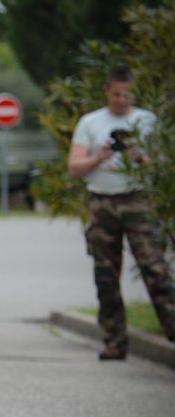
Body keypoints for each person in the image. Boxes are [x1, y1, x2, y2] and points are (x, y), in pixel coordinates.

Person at [68, 66, 175, 360]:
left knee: (155, 269)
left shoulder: (147, 122)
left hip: (139, 201)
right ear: (106, 91)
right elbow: (74, 167)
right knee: (105, 273)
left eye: (126, 95)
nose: (121, 100)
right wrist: (97, 157)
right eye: (116, 94)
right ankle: (114, 341)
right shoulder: (90, 122)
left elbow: (164, 165)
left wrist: (140, 157)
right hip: (102, 203)